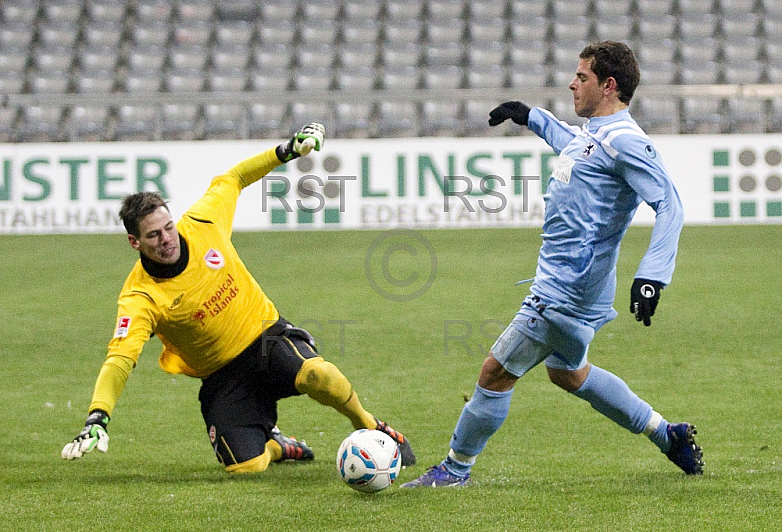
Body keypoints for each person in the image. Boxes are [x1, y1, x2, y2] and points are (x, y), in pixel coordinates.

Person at [402, 41, 702, 488]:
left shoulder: (626, 141)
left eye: (582, 77)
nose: (572, 83)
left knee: (495, 372)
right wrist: (531, 116)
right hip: (577, 287)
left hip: (567, 290)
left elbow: (670, 204)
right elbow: (575, 146)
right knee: (568, 372)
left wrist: (652, 277)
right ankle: (666, 433)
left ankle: (455, 468)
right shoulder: (597, 135)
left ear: (609, 85)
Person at [61, 123, 415, 474]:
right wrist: (98, 416)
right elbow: (120, 359)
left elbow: (232, 178)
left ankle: (369, 425)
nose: (167, 238)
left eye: (168, 227)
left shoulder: (202, 223)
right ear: (135, 243)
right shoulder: (140, 297)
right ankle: (278, 446)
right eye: (153, 235)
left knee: (317, 374)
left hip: (266, 339)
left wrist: (287, 150)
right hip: (222, 376)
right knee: (245, 467)